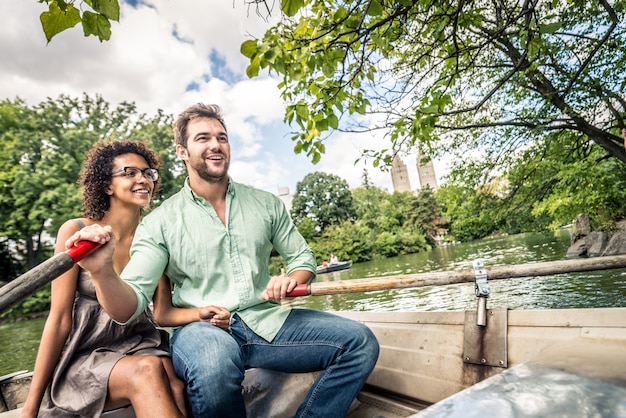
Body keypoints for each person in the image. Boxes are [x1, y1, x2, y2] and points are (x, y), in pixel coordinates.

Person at [67, 103, 380, 418]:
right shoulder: (159, 222)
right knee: (214, 363)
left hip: (268, 324)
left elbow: (302, 258)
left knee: (360, 342)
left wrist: (293, 279)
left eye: (222, 137)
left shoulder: (266, 204)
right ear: (182, 151)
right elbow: (127, 307)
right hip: (202, 332)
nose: (215, 144)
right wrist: (103, 271)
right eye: (202, 138)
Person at [20, 140, 193, 418]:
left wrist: (205, 314)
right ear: (106, 185)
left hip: (141, 343)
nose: (143, 179)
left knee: (176, 382)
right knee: (147, 370)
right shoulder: (77, 232)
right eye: (130, 172)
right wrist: (30, 408)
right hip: (87, 353)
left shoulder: (155, 239)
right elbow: (59, 319)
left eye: (148, 173)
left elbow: (163, 312)